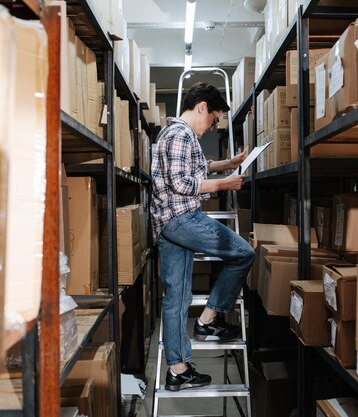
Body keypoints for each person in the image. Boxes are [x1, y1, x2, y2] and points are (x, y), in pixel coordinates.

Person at [151, 82, 256, 391]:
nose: (213, 126)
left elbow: (197, 168)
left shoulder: (175, 135)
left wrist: (229, 164)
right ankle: (208, 321)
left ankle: (177, 370)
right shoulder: (181, 134)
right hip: (181, 219)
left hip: (167, 224)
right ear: (201, 108)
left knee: (177, 297)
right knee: (243, 253)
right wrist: (226, 183)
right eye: (214, 118)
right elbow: (183, 184)